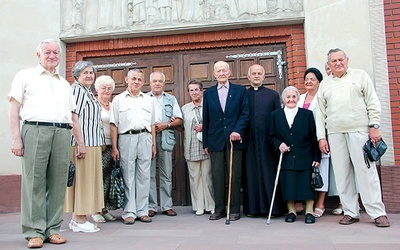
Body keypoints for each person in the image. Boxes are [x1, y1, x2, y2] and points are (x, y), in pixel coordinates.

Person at [8, 38, 76, 248]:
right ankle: (34, 231)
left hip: (62, 133)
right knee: (34, 182)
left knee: (57, 183)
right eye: (47, 52)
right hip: (35, 129)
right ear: (39, 55)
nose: (52, 56)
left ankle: (53, 230)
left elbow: (73, 116)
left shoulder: (64, 84)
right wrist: (16, 139)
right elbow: (13, 109)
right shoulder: (25, 76)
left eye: (56, 53)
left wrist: (79, 142)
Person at [316, 48, 390, 227]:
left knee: (366, 173)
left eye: (341, 59)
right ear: (329, 65)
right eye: (334, 61)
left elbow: (372, 101)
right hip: (335, 133)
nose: (338, 63)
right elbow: (320, 113)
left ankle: (377, 213)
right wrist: (321, 137)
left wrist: (374, 127)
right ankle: (350, 212)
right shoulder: (325, 84)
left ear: (347, 60)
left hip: (359, 131)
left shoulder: (360, 76)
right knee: (342, 175)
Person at [203, 61, 249, 221]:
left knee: (234, 175)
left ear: (229, 73)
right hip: (215, 140)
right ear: (214, 74)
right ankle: (219, 209)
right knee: (217, 175)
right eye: (218, 71)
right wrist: (206, 143)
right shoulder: (208, 93)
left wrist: (237, 130)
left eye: (224, 70)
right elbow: (206, 118)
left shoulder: (240, 91)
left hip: (234, 140)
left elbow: (245, 113)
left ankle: (234, 209)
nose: (221, 73)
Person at [110, 69, 157, 224]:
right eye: (133, 79)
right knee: (128, 175)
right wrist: (115, 147)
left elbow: (152, 124)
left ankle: (143, 211)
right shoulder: (118, 100)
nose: (136, 82)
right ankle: (129, 212)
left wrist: (153, 145)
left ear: (143, 82)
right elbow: (113, 125)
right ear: (126, 80)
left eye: (139, 79)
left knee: (144, 175)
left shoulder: (149, 100)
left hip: (145, 137)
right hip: (126, 138)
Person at [269, 86, 320, 224]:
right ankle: (291, 211)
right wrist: (279, 144)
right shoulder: (275, 115)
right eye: (288, 97)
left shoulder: (307, 114)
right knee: (289, 184)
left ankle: (309, 211)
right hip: (286, 157)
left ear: (298, 98)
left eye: (294, 97)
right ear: (284, 99)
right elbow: (271, 136)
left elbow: (313, 136)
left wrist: (317, 157)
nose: (291, 99)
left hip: (305, 155)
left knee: (306, 185)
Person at [64, 61, 105, 233]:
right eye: (85, 73)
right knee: (82, 182)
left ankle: (77, 219)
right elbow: (74, 118)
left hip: (92, 142)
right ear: (77, 75)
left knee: (88, 181)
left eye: (91, 72)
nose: (89, 75)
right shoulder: (77, 90)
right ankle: (79, 219)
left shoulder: (87, 91)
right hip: (84, 144)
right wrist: (80, 143)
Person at [243, 64, 284, 217]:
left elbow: (277, 119)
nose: (256, 76)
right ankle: (252, 209)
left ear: (264, 76)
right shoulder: (243, 95)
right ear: (248, 76)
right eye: (253, 73)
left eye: (259, 73)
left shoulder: (273, 95)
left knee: (269, 173)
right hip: (249, 142)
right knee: (251, 175)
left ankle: (272, 209)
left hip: (268, 142)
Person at [148, 71, 183, 217]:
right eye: (154, 81)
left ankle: (167, 205)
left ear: (164, 83)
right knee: (148, 174)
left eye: (160, 81)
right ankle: (151, 206)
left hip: (165, 139)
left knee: (166, 174)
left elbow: (179, 120)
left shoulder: (171, 98)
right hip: (148, 139)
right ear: (150, 83)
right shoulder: (144, 98)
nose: (157, 83)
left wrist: (166, 124)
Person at [297, 67, 329, 218]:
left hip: (320, 139)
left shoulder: (323, 97)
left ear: (319, 82)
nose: (309, 82)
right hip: (303, 142)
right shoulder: (299, 98)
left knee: (322, 170)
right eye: (307, 79)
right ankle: (303, 201)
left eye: (312, 79)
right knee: (305, 172)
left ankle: (320, 203)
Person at [181, 79, 215, 216]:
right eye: (191, 90)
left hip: (206, 146)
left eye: (196, 89)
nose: (194, 92)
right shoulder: (184, 109)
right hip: (191, 146)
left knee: (208, 177)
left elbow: (215, 123)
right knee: (195, 177)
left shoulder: (209, 106)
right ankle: (199, 206)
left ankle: (211, 205)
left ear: (201, 91)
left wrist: (204, 126)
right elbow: (180, 125)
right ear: (189, 92)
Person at [91, 75, 117, 223]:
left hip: (110, 145)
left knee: (107, 177)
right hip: (96, 145)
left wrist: (115, 147)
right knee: (96, 178)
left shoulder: (113, 105)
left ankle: (104, 208)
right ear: (97, 89)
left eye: (109, 88)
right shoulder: (93, 104)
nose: (106, 91)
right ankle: (95, 210)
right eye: (103, 88)